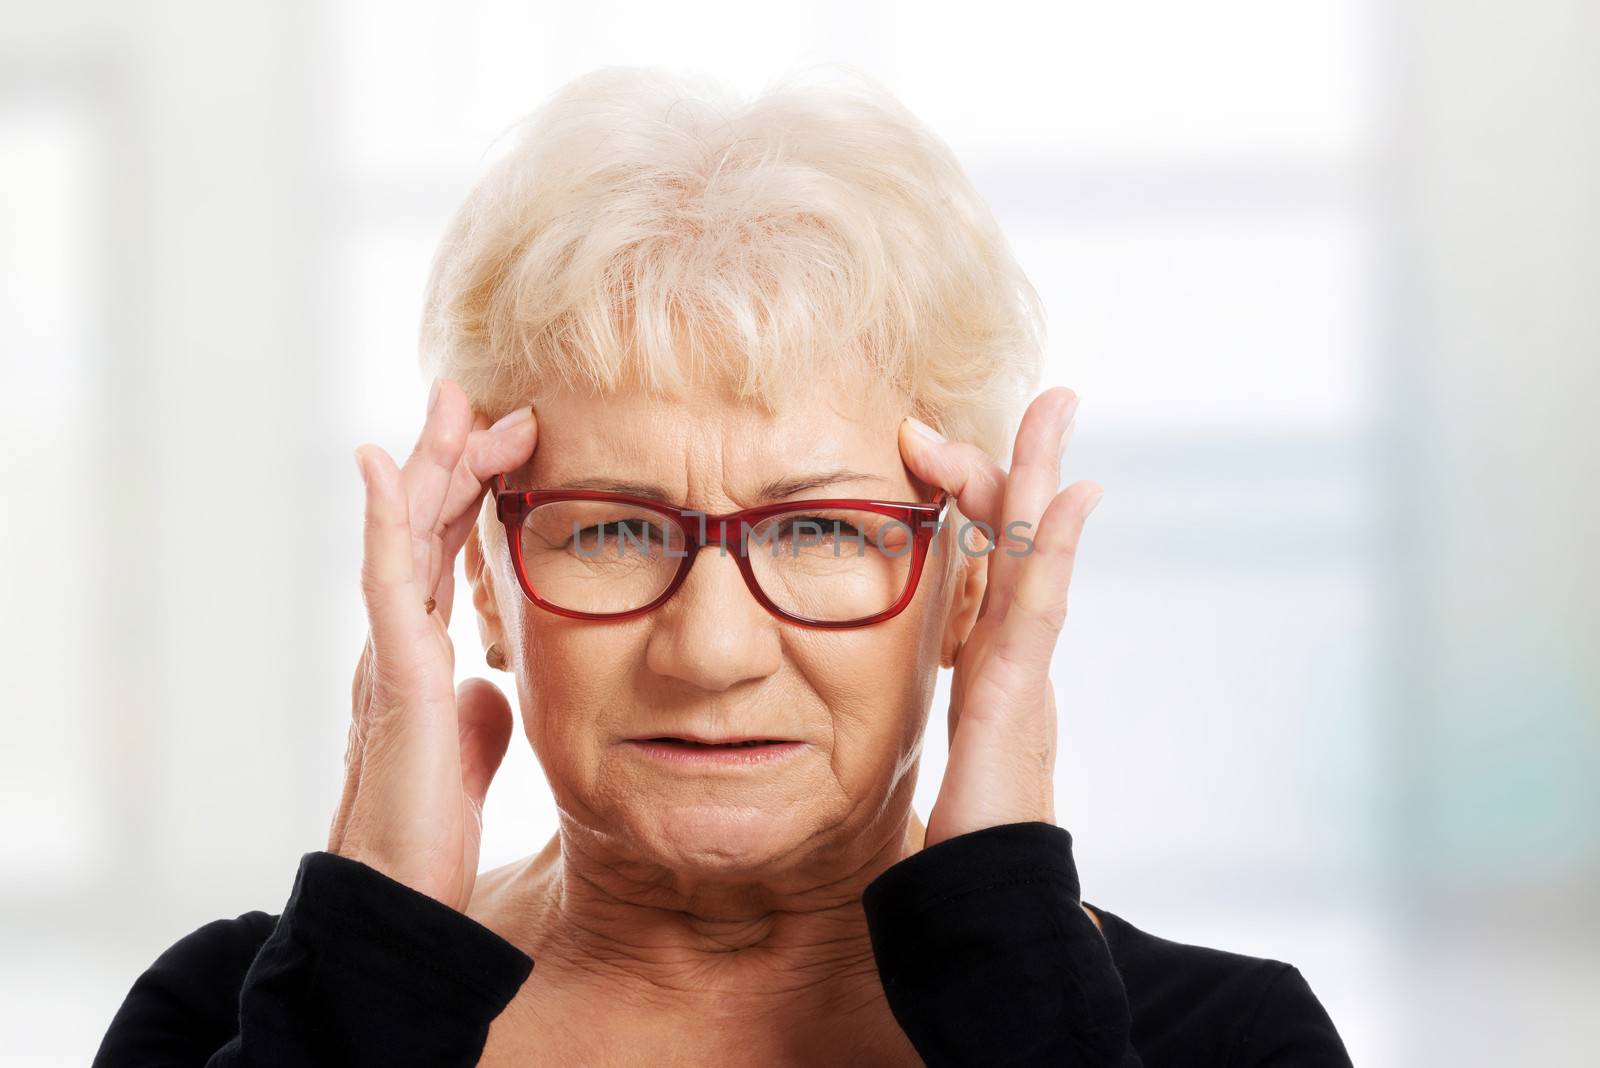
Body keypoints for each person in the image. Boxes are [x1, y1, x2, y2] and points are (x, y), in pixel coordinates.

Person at [94, 66, 1352, 1066]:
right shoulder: (232, 1025)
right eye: (611, 527)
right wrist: (371, 961)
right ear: (478, 580)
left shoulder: (1223, 1043)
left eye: (817, 530)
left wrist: (1006, 956)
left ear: (969, 588)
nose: (711, 650)